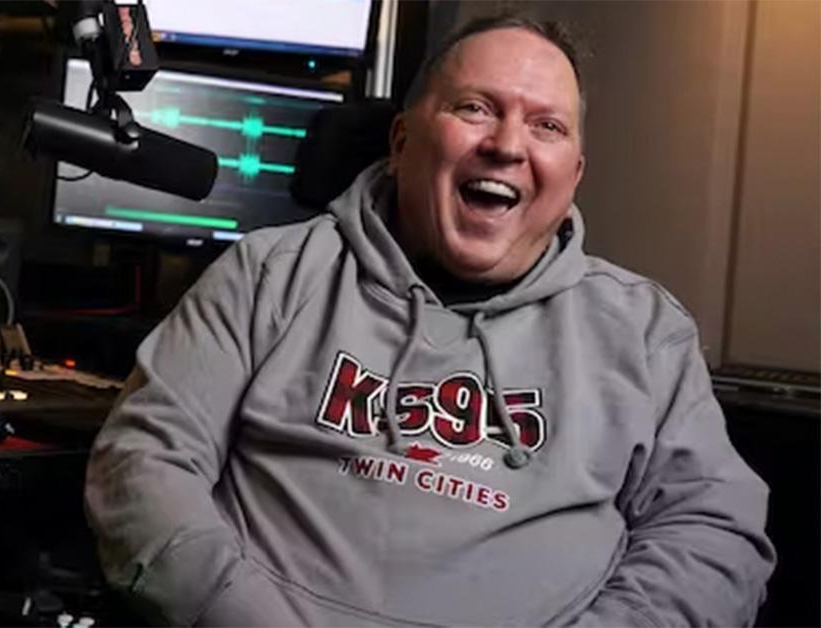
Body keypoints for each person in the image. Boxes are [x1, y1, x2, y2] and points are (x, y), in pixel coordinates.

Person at [85, 14, 775, 627]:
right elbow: (143, 466)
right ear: (402, 139)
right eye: (476, 108)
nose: (508, 145)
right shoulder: (268, 275)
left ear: (574, 175)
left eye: (547, 126)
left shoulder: (645, 333)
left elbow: (712, 534)